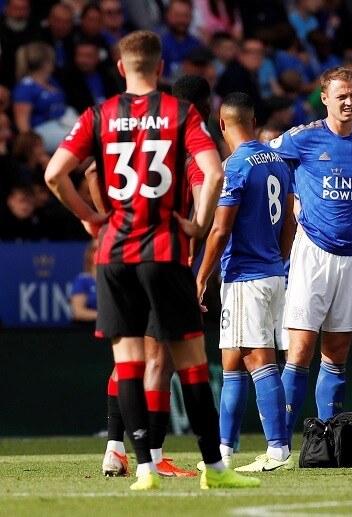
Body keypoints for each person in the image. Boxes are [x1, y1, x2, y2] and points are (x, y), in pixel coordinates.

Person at [44, 30, 261, 491]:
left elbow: (60, 172)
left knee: (127, 361)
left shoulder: (99, 115)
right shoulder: (178, 116)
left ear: (121, 67)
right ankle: (204, 467)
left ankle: (132, 461)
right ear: (160, 68)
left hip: (114, 252)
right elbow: (214, 173)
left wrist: (91, 218)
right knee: (185, 362)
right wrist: (196, 224)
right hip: (163, 250)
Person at [265, 66, 352, 444]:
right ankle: (280, 444)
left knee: (337, 352)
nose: (348, 102)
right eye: (341, 95)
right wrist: (290, 200)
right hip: (312, 253)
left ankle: (329, 441)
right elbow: (266, 160)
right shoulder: (303, 138)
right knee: (300, 350)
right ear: (324, 98)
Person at [96, 73, 215, 480]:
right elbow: (203, 206)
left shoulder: (133, 135)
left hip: (120, 250)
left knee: (127, 357)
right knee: (160, 361)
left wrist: (102, 222)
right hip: (163, 259)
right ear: (204, 108)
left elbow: (92, 171)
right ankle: (154, 455)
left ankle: (115, 451)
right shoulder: (190, 145)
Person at [195, 92, 296, 473]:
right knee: (232, 360)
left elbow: (220, 230)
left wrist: (201, 277)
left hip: (244, 277)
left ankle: (278, 450)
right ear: (252, 122)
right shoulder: (278, 161)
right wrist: (278, 260)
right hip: (271, 273)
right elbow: (289, 223)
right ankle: (222, 453)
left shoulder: (233, 167)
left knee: (257, 358)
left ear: (222, 125)